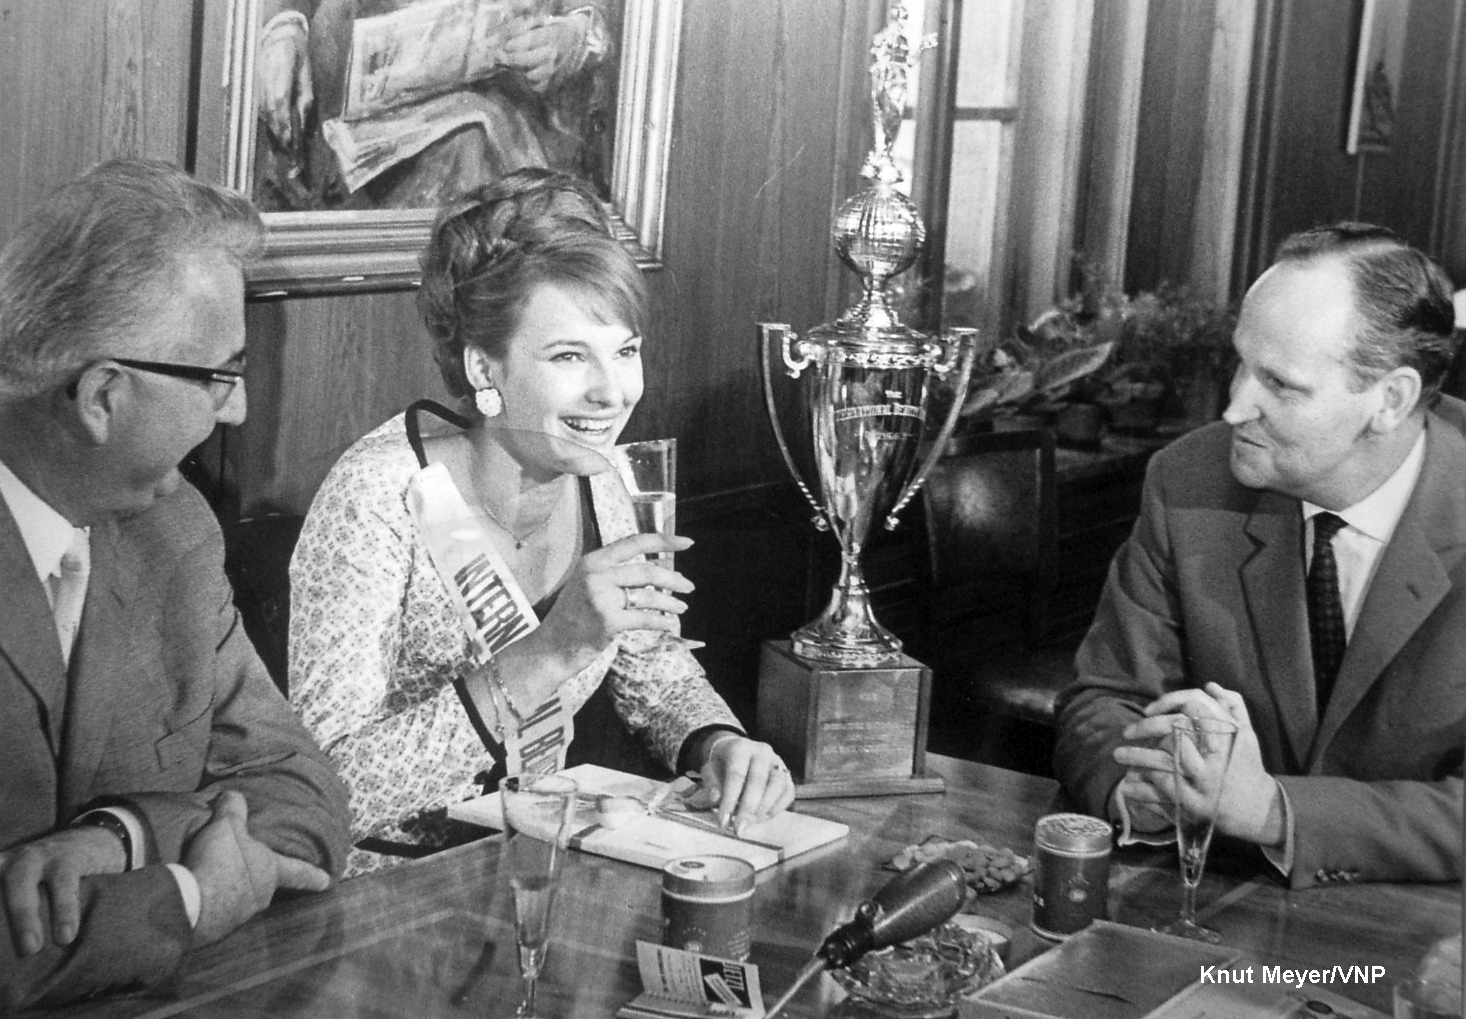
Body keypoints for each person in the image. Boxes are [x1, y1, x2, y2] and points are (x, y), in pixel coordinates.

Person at [289, 168, 794, 876]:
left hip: (533, 863)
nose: (612, 392)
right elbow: (324, 793)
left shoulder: (601, 476)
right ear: (483, 367)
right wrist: (551, 651)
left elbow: (650, 667)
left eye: (625, 351)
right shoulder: (379, 495)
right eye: (569, 356)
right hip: (383, 891)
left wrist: (717, 744)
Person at [0, 159, 351, 1009]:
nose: (236, 410)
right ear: (102, 395)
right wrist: (193, 897)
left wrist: (121, 836)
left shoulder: (173, 531)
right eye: (218, 376)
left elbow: (306, 794)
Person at [1054, 222, 1464, 888]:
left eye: (1280, 383)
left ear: (1391, 400)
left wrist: (1275, 810)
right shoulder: (1189, 479)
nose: (1235, 407)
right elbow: (1105, 697)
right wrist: (1142, 787)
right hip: (1219, 897)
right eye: (1240, 363)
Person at [254, 0, 614, 211]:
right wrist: (283, 27)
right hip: (348, 114)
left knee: (470, 147)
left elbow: (597, 14)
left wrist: (576, 34)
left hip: (507, 109)